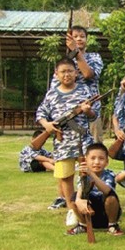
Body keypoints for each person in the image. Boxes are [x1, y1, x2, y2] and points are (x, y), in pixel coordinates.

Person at [36, 57, 96, 218]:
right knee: (65, 176)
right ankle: (72, 209)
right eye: (63, 72)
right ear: (56, 74)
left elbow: (94, 115)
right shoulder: (52, 94)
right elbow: (40, 113)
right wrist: (47, 125)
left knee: (86, 173)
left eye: (70, 71)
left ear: (76, 73)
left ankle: (84, 202)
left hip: (83, 141)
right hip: (62, 143)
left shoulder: (84, 91)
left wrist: (87, 111)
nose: (67, 74)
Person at [51, 25, 104, 143]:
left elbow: (88, 74)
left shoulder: (94, 57)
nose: (79, 39)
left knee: (95, 147)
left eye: (82, 36)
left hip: (91, 111)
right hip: (68, 112)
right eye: (75, 36)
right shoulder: (64, 63)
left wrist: (76, 52)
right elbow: (54, 88)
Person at [66, 143, 124, 236]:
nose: (97, 162)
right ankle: (83, 225)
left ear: (107, 162)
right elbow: (80, 188)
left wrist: (91, 174)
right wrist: (78, 200)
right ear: (86, 160)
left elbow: (107, 190)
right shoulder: (83, 174)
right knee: (73, 198)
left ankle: (112, 225)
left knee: (111, 197)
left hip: (105, 213)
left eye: (101, 159)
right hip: (89, 211)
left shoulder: (109, 174)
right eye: (92, 158)